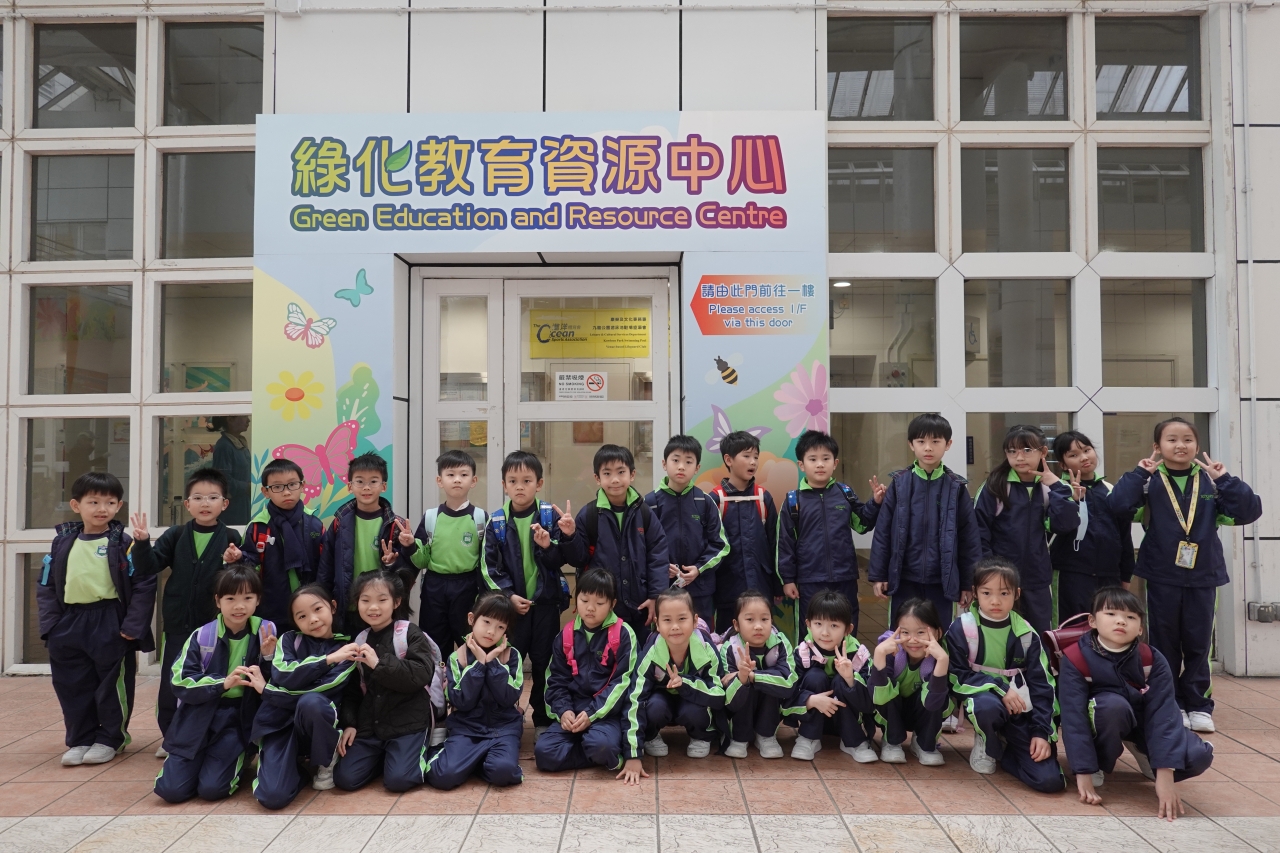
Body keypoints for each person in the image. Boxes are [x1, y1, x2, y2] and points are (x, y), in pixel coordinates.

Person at [1109, 417, 1262, 733]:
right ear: (1157, 446)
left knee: (1198, 644)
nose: (1180, 445)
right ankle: (1169, 703)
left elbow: (1249, 511)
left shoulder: (1211, 483)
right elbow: (1118, 506)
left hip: (1203, 575)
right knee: (1163, 643)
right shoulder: (1148, 482)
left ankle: (1199, 704)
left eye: (1187, 440)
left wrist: (1225, 479)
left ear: (1197, 445)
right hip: (1161, 574)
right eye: (1172, 439)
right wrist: (1139, 473)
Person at [1060, 587, 1214, 822]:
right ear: (1092, 621)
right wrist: (1083, 771)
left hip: (1143, 723)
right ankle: (1099, 762)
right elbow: (1074, 719)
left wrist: (1165, 772)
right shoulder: (1076, 658)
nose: (1121, 621)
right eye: (1111, 614)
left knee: (1198, 756)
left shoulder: (1152, 659)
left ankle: (1145, 753)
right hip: (1106, 718)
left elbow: (1164, 715)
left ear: (1140, 628)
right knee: (1112, 707)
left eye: (1130, 617)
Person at [39, 471, 157, 768]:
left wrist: (133, 625)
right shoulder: (63, 541)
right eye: (93, 502)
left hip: (109, 620)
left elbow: (144, 584)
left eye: (110, 502)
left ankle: (110, 739)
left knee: (111, 685)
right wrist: (52, 625)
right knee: (72, 684)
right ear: (76, 505)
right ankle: (80, 739)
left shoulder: (123, 542)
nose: (102, 508)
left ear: (119, 506)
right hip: (70, 622)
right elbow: (46, 584)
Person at [129, 467, 243, 752]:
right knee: (173, 681)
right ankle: (171, 737)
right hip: (178, 624)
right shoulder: (175, 535)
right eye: (198, 497)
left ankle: (204, 734)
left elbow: (238, 582)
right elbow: (148, 566)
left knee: (211, 679)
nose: (205, 503)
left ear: (225, 504)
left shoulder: (231, 537)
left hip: (214, 626)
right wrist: (141, 543)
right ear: (188, 504)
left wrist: (234, 562)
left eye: (213, 497)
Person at [154, 564, 276, 803]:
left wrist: (269, 657)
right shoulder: (203, 636)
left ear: (258, 600)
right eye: (231, 598)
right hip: (198, 715)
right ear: (218, 601)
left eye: (247, 598)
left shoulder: (266, 631)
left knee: (212, 789)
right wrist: (222, 684)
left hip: (238, 719)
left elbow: (277, 681)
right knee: (171, 791)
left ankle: (241, 755)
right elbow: (179, 680)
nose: (239, 606)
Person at [945, 558, 1064, 793]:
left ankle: (1006, 752)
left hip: (1021, 710)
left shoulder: (1027, 635)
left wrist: (1041, 732)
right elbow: (955, 678)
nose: (995, 601)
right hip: (985, 703)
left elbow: (1044, 687)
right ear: (975, 593)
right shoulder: (962, 628)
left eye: (1004, 593)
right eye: (986, 593)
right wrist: (1000, 687)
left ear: (1016, 594)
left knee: (1050, 781)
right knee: (986, 707)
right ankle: (987, 740)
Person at [481, 450, 576, 739]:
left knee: (545, 663)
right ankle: (506, 713)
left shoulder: (549, 516)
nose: (520, 487)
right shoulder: (496, 521)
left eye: (527, 480)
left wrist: (548, 546)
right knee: (508, 661)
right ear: (504, 485)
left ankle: (543, 717)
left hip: (545, 606)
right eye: (513, 481)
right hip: (511, 611)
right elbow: (488, 567)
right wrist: (508, 596)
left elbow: (560, 560)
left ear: (539, 483)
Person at [868, 413, 981, 628]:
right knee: (901, 633)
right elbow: (883, 532)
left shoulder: (956, 488)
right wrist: (879, 575)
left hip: (942, 581)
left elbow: (969, 539)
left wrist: (968, 583)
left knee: (938, 633)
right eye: (921, 441)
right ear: (911, 445)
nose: (928, 448)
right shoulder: (899, 484)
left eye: (935, 441)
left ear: (948, 444)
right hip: (904, 579)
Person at [252, 585, 359, 809]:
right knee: (272, 797)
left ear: (332, 607)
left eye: (318, 609)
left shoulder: (347, 648)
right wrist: (328, 660)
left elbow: (323, 689)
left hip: (315, 724)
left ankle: (325, 760)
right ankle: (297, 771)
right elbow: (283, 674)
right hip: (279, 724)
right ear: (294, 621)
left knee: (312, 702)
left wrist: (268, 691)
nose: (313, 619)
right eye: (302, 616)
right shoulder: (289, 640)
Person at [332, 572, 436, 792]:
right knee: (345, 779)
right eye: (365, 600)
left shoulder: (409, 633)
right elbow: (353, 689)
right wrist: (350, 723)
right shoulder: (360, 639)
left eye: (382, 600)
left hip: (408, 723)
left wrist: (378, 664)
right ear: (357, 603)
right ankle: (388, 758)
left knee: (399, 781)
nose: (373, 607)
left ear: (396, 602)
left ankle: (415, 754)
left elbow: (420, 675)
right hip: (372, 725)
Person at [535, 568, 641, 782]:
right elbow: (555, 681)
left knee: (601, 745)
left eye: (599, 603)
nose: (590, 608)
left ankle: (601, 749)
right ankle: (596, 753)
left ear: (612, 604)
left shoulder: (623, 634)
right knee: (543, 753)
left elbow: (622, 684)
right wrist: (564, 711)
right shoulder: (565, 635)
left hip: (606, 713)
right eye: (584, 600)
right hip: (574, 711)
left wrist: (592, 713)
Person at [973, 424, 1079, 633]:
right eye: (1012, 451)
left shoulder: (1052, 487)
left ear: (1043, 452)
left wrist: (1058, 487)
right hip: (999, 580)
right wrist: (987, 574)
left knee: (1038, 635)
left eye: (1027, 450)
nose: (1019, 457)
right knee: (1000, 635)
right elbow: (978, 534)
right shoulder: (995, 486)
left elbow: (1065, 525)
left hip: (1037, 579)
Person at [777, 430, 885, 633]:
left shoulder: (845, 493)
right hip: (810, 579)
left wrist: (875, 503)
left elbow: (862, 524)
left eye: (825, 459)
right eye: (813, 459)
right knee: (811, 628)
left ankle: (847, 655)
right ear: (801, 465)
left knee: (846, 625)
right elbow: (785, 544)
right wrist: (788, 580)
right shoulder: (793, 501)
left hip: (845, 576)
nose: (820, 464)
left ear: (835, 463)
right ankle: (810, 656)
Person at [426, 591, 526, 790]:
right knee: (442, 776)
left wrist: (493, 663)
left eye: (500, 627)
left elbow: (508, 698)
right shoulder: (457, 657)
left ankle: (474, 763)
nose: (491, 631)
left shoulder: (511, 656)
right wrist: (480, 664)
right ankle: (468, 759)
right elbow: (462, 702)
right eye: (486, 622)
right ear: (472, 619)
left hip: (503, 729)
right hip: (466, 729)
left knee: (504, 772)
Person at [570, 444, 669, 641]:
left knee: (640, 652)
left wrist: (655, 596)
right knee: (603, 654)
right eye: (607, 473)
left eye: (621, 472)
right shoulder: (589, 514)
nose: (614, 479)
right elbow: (578, 559)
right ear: (597, 478)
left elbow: (658, 555)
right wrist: (570, 536)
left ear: (632, 474)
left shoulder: (644, 512)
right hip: (602, 606)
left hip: (640, 606)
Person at [316, 452, 415, 633]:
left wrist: (393, 563)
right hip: (349, 606)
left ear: (384, 486)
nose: (366, 487)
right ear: (350, 486)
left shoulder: (396, 525)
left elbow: (408, 573)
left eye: (373, 481)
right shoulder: (339, 523)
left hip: (384, 609)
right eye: (360, 481)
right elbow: (326, 566)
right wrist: (323, 600)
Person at [626, 587, 725, 760]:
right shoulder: (651, 653)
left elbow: (718, 695)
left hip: (692, 699)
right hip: (662, 699)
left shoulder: (706, 649)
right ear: (657, 624)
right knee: (655, 706)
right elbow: (635, 698)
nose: (675, 627)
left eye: (682, 619)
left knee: (694, 711)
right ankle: (651, 736)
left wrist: (685, 683)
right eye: (667, 620)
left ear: (695, 620)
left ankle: (701, 736)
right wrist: (632, 753)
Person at [225, 459, 325, 628]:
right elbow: (250, 567)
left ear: (302, 485)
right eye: (277, 487)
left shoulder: (314, 524)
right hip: (270, 607)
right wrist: (239, 557)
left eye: (292, 484)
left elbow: (325, 565)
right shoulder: (257, 527)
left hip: (310, 607)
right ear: (265, 491)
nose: (286, 492)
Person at [408, 449, 487, 659]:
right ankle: (437, 680)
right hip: (435, 587)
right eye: (450, 474)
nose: (457, 479)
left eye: (463, 474)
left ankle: (466, 680)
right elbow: (422, 560)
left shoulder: (480, 518)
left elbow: (486, 560)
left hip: (468, 587)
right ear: (439, 480)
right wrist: (410, 545)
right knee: (434, 644)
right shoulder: (431, 517)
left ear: (474, 480)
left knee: (469, 641)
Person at [783, 589, 876, 763]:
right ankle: (808, 738)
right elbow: (786, 695)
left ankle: (854, 742)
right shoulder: (802, 653)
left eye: (834, 626)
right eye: (818, 624)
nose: (825, 632)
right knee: (815, 677)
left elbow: (870, 703)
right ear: (808, 624)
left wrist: (850, 679)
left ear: (848, 629)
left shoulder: (858, 655)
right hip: (812, 717)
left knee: (842, 680)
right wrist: (810, 700)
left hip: (849, 721)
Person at [644, 434, 729, 625]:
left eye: (688, 462)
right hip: (663, 589)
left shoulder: (705, 501)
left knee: (702, 635)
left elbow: (721, 545)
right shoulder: (649, 503)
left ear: (697, 468)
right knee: (666, 635)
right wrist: (661, 566)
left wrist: (698, 569)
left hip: (700, 590)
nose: (681, 466)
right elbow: (640, 546)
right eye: (676, 460)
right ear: (664, 463)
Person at [1050, 430, 1135, 620]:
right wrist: (1070, 499)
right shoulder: (1057, 492)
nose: (1084, 458)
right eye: (1073, 455)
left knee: (1107, 628)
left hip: (1109, 576)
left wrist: (1125, 576)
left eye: (1087, 450)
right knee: (1071, 628)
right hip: (1071, 576)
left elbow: (1124, 536)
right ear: (1063, 464)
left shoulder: (1111, 491)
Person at [706, 431, 780, 635]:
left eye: (756, 456)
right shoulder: (715, 499)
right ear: (728, 460)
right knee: (726, 638)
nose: (753, 462)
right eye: (746, 456)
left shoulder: (763, 497)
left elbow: (775, 544)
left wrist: (777, 585)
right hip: (727, 588)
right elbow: (709, 546)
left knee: (761, 637)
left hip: (761, 587)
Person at [869, 598, 953, 766]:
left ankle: (924, 743)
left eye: (921, 632)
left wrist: (942, 661)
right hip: (894, 711)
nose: (913, 640)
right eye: (905, 632)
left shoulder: (941, 655)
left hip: (921, 709)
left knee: (940, 696)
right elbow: (878, 698)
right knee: (885, 691)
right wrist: (878, 654)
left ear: (937, 633)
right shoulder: (889, 652)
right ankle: (891, 741)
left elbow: (934, 703)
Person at [718, 590, 795, 759]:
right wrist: (742, 678)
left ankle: (766, 736)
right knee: (743, 685)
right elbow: (728, 699)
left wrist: (753, 676)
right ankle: (739, 737)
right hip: (738, 710)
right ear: (736, 624)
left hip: (770, 707)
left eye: (764, 619)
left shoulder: (780, 643)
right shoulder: (729, 648)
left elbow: (789, 683)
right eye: (750, 620)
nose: (758, 626)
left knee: (770, 684)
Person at [208, 415, 252, 525]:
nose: (248, 420)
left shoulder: (239, 443)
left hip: (243, 504)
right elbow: (223, 481)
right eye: (244, 416)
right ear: (230, 420)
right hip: (232, 509)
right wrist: (248, 487)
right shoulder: (224, 446)